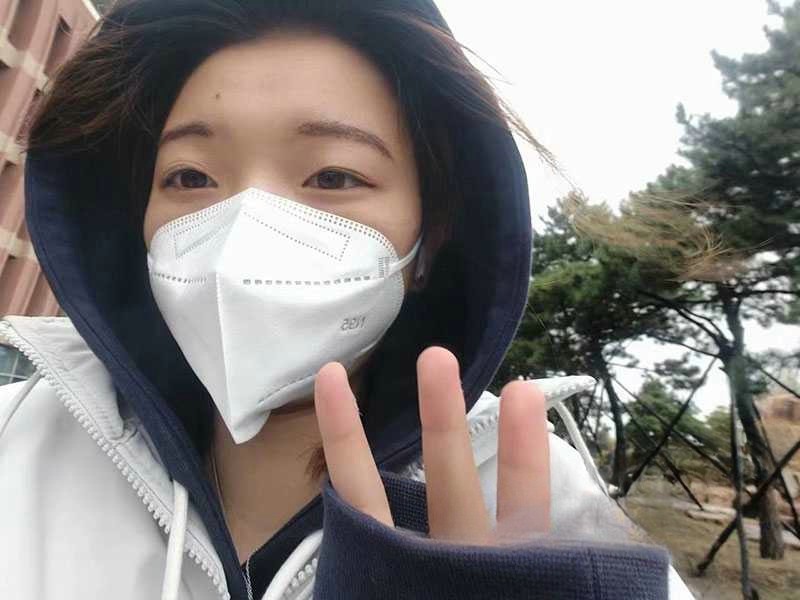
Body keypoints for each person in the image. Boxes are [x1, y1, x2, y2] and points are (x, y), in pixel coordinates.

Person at [0, 1, 694, 598]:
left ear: (429, 240)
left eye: (333, 176)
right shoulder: (16, 438)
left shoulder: (543, 507)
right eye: (190, 177)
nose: (241, 236)